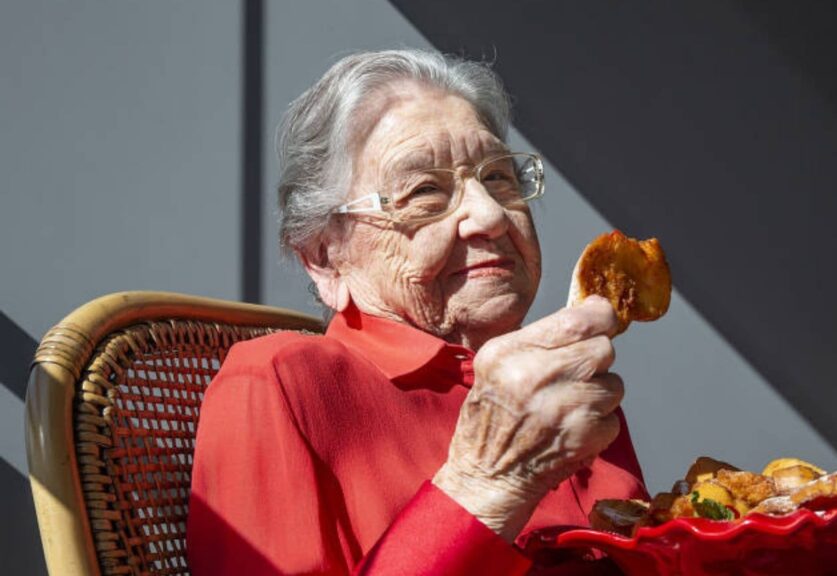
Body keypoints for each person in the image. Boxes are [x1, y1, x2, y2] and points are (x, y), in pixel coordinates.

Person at [186, 49, 647, 575]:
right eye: (425, 190)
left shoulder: (562, 379)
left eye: (498, 177)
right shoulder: (282, 384)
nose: (491, 215)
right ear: (324, 256)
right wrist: (487, 482)